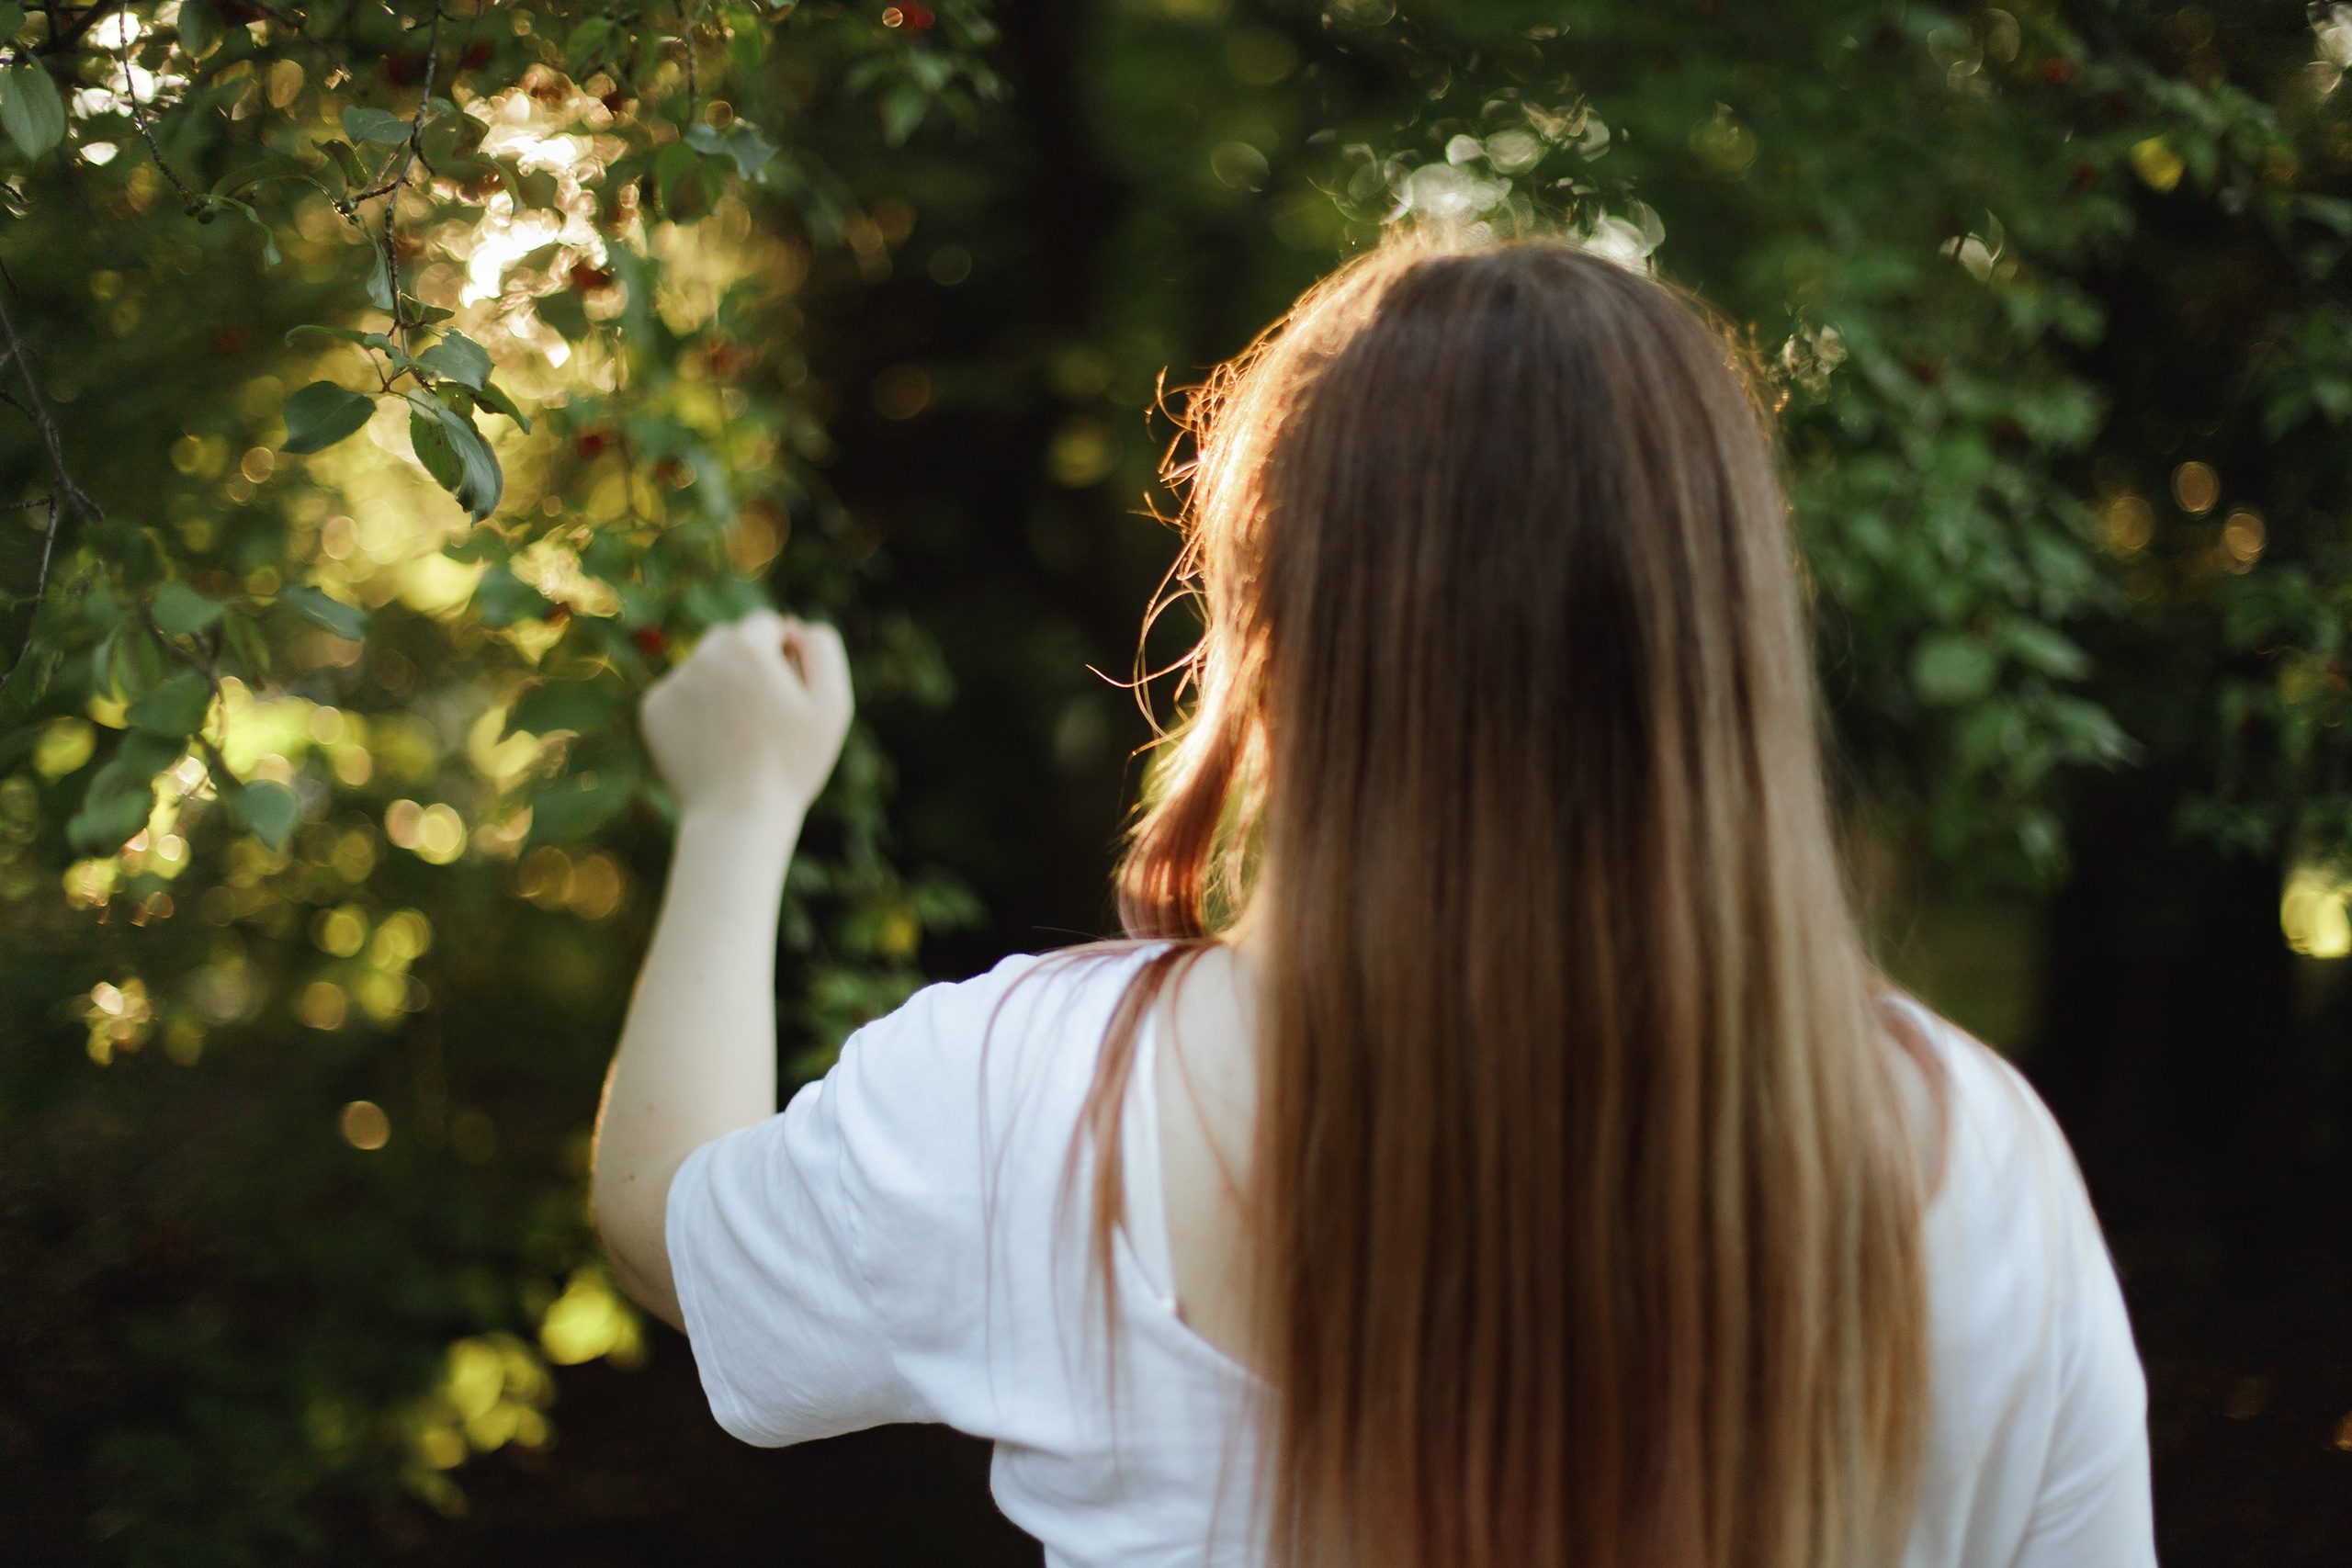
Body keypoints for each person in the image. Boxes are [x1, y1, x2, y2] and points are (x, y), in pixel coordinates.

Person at [592, 231, 2156, 1568]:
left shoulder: (1030, 1097)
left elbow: (670, 1230)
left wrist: (741, 806)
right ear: (1724, 642)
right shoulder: (1969, 1162)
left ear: (1267, 638)